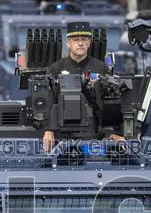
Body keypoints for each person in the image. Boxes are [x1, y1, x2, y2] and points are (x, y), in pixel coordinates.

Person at [42, 21, 112, 152]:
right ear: (68, 43)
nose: (80, 43)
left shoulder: (101, 68)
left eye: (84, 39)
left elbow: (109, 101)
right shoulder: (56, 69)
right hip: (62, 132)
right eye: (76, 40)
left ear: (89, 43)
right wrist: (48, 130)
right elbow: (49, 100)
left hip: (93, 132)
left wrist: (112, 132)